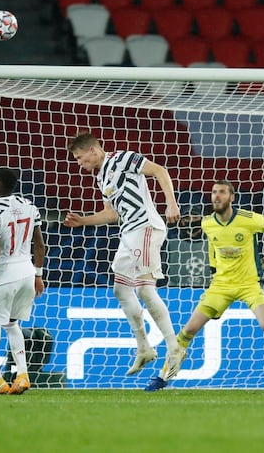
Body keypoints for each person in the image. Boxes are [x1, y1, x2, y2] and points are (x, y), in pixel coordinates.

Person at [153, 180, 264, 391]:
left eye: (222, 192)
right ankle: (163, 376)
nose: (217, 196)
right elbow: (213, 247)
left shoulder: (247, 219)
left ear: (231, 197)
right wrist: (214, 269)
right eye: (214, 192)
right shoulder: (207, 223)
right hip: (220, 287)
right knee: (188, 330)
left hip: (248, 284)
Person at [64, 132, 181, 384]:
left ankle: (174, 347)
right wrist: (82, 221)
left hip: (145, 227)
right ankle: (144, 348)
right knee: (120, 289)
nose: (79, 164)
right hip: (127, 234)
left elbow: (159, 170)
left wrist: (171, 203)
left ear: (93, 151)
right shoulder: (101, 177)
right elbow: (111, 213)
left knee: (145, 291)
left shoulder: (123, 158)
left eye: (80, 158)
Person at [0, 168, 45, 395]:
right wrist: (38, 275)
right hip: (26, 271)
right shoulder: (30, 206)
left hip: (4, 273)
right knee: (12, 323)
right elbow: (40, 244)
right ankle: (22, 375)